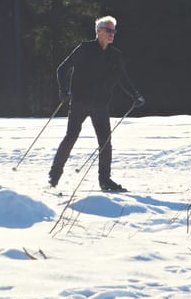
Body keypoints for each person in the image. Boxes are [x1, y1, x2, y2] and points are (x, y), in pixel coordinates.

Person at [48, 16, 145, 191]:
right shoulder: (84, 48)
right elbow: (61, 69)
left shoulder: (115, 55)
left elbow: (123, 78)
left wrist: (135, 95)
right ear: (99, 31)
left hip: (100, 104)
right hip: (80, 102)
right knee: (71, 137)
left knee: (105, 142)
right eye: (109, 30)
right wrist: (63, 91)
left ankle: (105, 181)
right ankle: (54, 175)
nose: (112, 34)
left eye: (114, 31)